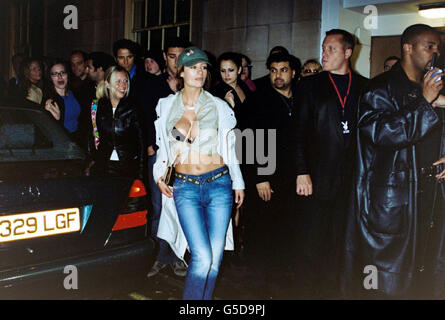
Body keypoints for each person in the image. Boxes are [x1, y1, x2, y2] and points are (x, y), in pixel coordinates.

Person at [342, 24, 445, 299]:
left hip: (430, 195)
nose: (436, 52)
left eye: (438, 47)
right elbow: (381, 134)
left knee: (424, 272)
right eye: (430, 46)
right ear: (408, 48)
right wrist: (425, 100)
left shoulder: (431, 90)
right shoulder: (380, 88)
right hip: (394, 199)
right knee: (388, 280)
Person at [153, 46, 245, 300]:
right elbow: (166, 145)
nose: (200, 72)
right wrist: (159, 175)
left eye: (203, 67)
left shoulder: (217, 105)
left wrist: (238, 182)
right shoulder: (167, 106)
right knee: (202, 256)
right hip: (185, 187)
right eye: (193, 67)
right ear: (180, 71)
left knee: (213, 261)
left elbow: (229, 148)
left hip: (218, 183)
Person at [294, 29, 368, 299]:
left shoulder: (364, 87)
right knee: (312, 240)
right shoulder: (309, 86)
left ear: (348, 53)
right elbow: (297, 132)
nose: (323, 54)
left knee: (341, 240)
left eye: (331, 49)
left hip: (350, 179)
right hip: (317, 175)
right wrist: (302, 171)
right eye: (323, 48)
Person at [245, 51, 299, 297]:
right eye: (274, 70)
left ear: (293, 72)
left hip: (290, 179)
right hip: (265, 178)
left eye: (283, 70)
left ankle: (279, 282)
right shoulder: (259, 100)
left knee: (284, 230)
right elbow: (245, 139)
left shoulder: (300, 98)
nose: (278, 75)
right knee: (260, 232)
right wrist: (260, 177)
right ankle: (256, 288)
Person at [141, 37, 191, 279]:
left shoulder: (194, 83)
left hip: (187, 158)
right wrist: (150, 146)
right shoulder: (152, 84)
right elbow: (146, 117)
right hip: (161, 157)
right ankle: (161, 257)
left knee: (183, 208)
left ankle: (179, 256)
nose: (176, 61)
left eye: (181, 56)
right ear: (164, 57)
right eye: (172, 56)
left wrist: (177, 93)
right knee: (159, 208)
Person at [211, 51, 253, 265]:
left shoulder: (246, 88)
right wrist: (226, 106)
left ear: (240, 70)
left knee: (243, 198)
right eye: (223, 71)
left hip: (248, 147)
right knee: (229, 197)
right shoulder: (217, 91)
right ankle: (227, 246)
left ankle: (239, 241)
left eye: (231, 70)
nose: (227, 75)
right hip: (228, 149)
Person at [88, 65, 145, 181]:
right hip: (103, 166)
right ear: (107, 84)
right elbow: (90, 136)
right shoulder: (97, 107)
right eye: (118, 81)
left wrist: (141, 175)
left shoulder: (134, 108)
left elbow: (142, 144)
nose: (123, 85)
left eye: (125, 81)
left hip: (128, 167)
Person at [43, 60, 82, 144]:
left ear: (67, 75)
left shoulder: (75, 93)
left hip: (78, 140)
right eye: (55, 74)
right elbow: (46, 131)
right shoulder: (49, 101)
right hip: (62, 143)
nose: (60, 76)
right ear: (50, 78)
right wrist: (56, 120)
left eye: (62, 72)